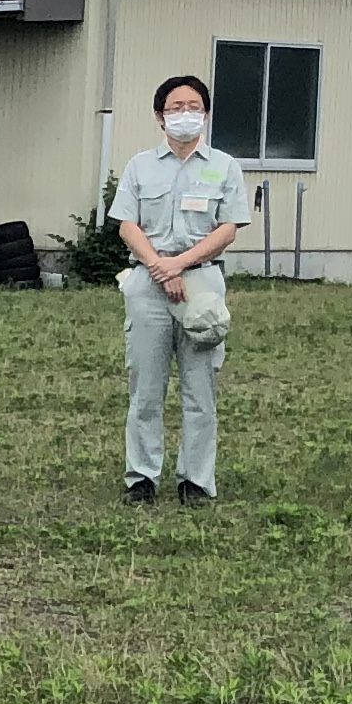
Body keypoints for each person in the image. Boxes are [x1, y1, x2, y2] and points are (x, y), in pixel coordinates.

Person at [113, 73, 247, 506]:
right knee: (146, 389)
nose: (185, 114)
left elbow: (228, 228)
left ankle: (196, 480)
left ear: (205, 114)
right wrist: (159, 267)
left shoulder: (224, 166)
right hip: (147, 281)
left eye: (193, 106)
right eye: (175, 108)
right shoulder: (139, 166)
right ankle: (142, 478)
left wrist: (180, 265)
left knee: (200, 387)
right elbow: (126, 224)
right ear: (159, 116)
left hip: (201, 281)